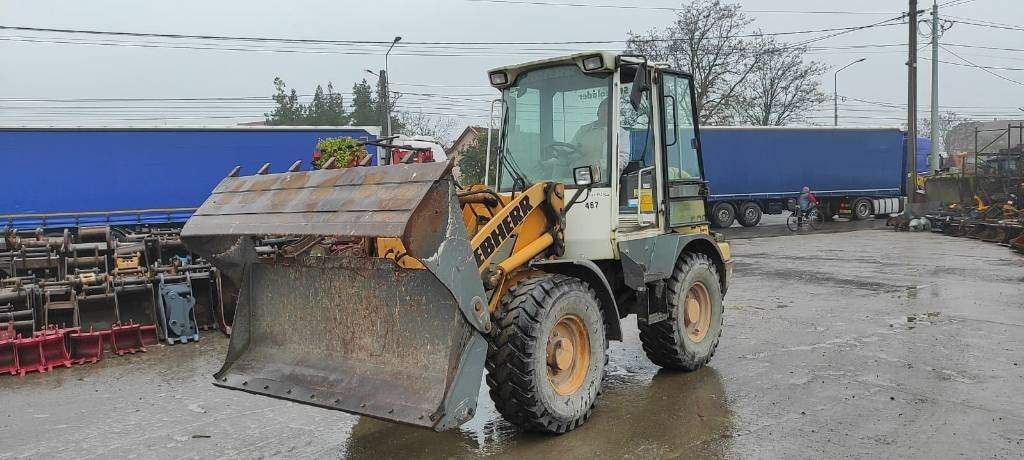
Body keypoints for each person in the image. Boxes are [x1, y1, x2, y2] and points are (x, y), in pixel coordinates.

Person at [570, 98, 631, 181]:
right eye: (603, 112)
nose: (605, 115)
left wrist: (601, 163)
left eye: (608, 113)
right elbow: (570, 150)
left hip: (604, 181)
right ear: (598, 113)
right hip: (578, 175)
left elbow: (623, 160)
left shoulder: (620, 133)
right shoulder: (583, 130)